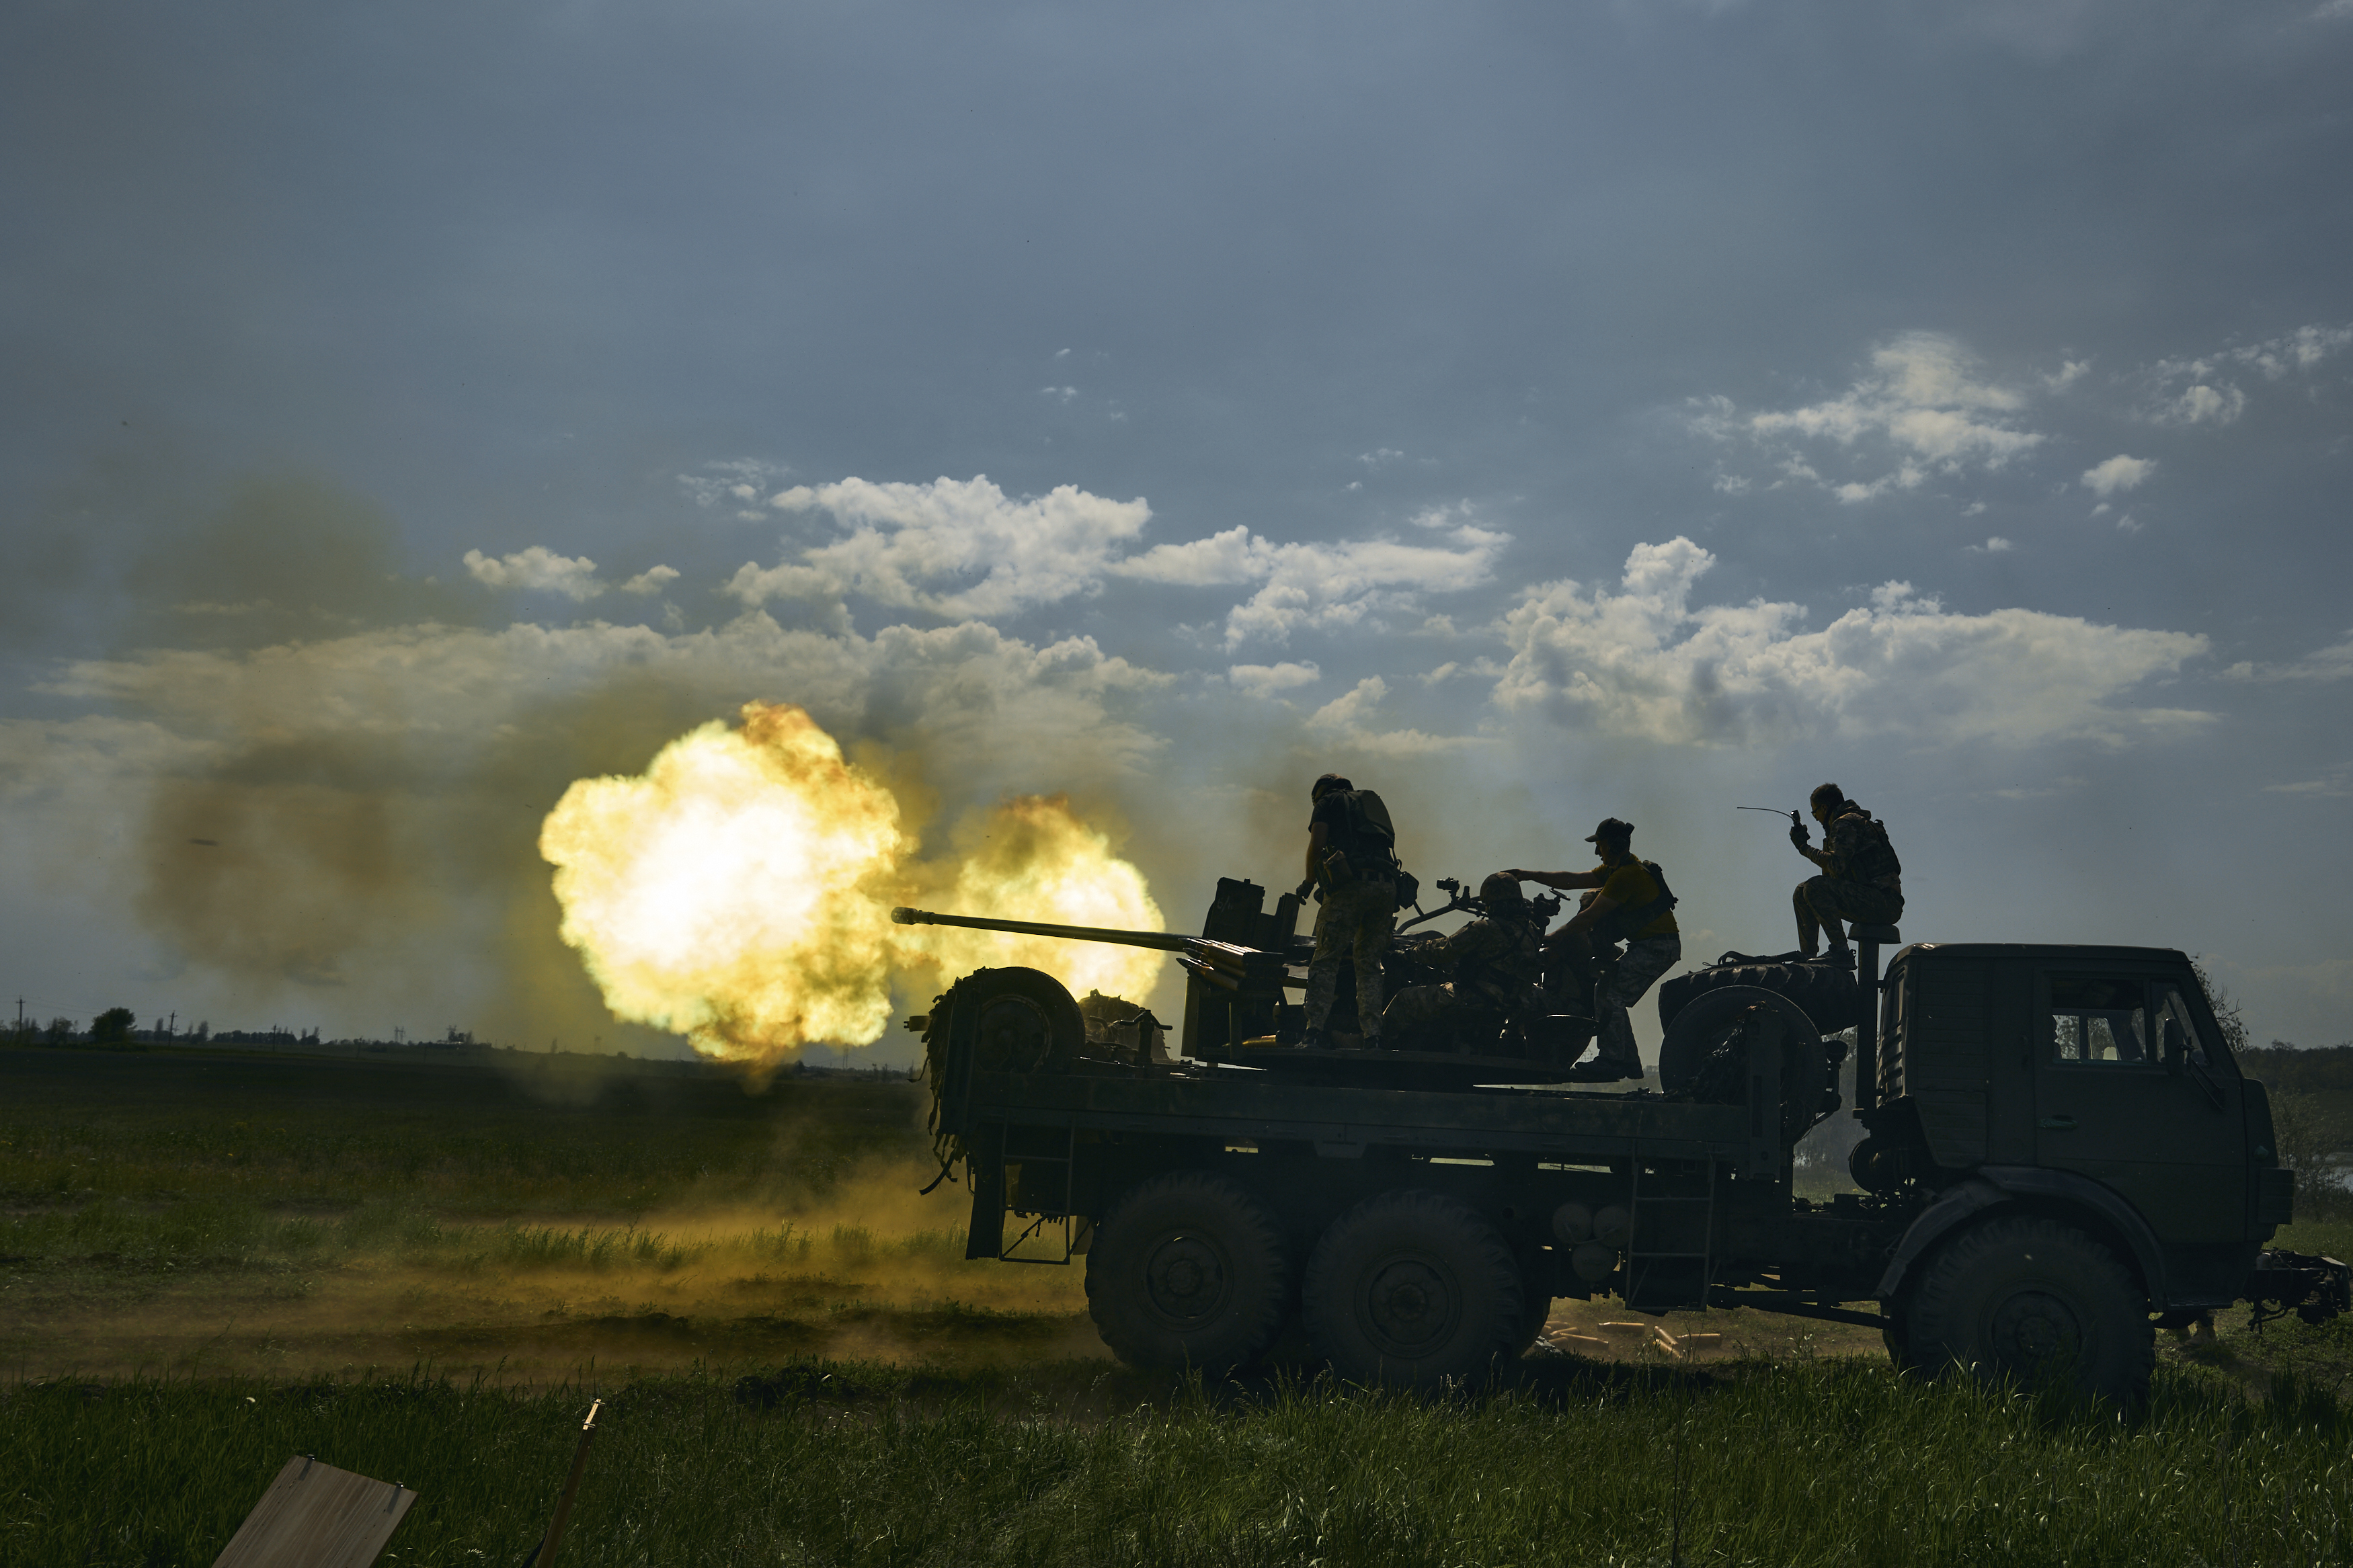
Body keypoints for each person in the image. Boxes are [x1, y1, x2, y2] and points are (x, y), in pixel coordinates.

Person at [1506, 818, 1681, 1082]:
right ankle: (1629, 1062)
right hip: (1654, 945)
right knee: (1612, 994)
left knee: (1609, 992)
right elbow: (1570, 879)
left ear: (1614, 845)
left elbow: (1590, 917)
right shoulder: (1618, 870)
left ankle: (1612, 1061)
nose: (1597, 852)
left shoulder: (1625, 876)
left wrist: (1556, 935)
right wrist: (1528, 875)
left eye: (1600, 845)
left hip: (1657, 946)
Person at [1380, 873, 1546, 1053]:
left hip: (1476, 999)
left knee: (1404, 999)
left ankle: (1377, 1049)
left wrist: (1405, 955)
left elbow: (1443, 950)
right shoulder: (1532, 931)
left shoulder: (1484, 929)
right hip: (1512, 1005)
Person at [1295, 773, 1402, 1048]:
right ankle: (1373, 1037)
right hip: (1387, 887)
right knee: (1369, 966)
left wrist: (1309, 882)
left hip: (1351, 885)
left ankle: (1313, 1032)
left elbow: (1318, 845)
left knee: (1326, 958)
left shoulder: (1327, 802)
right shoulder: (1367, 806)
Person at [1789, 783, 1903, 968]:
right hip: (1871, 900)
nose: (1816, 819)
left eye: (1815, 812)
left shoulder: (1846, 823)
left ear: (1824, 808)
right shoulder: (1844, 825)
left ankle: (1841, 951)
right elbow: (1831, 877)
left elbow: (1835, 866)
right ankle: (1808, 956)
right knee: (1802, 891)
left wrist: (1804, 848)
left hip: (1883, 903)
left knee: (1814, 887)